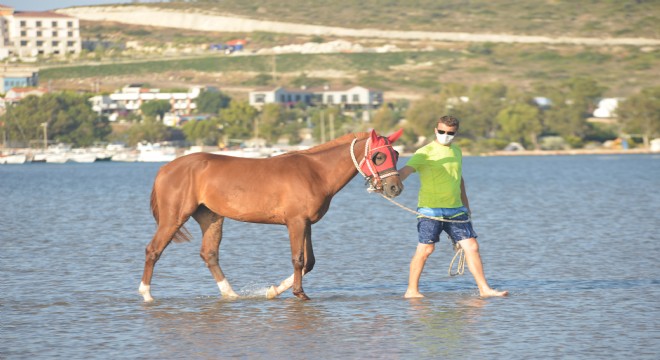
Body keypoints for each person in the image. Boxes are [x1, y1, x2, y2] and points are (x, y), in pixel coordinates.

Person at [398, 115, 508, 298]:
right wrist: (389, 182)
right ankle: (411, 291)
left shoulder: (457, 151)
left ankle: (484, 289)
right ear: (435, 130)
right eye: (441, 131)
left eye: (450, 133)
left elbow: (458, 178)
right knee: (426, 249)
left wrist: (466, 204)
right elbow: (406, 171)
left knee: (471, 246)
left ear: (455, 133)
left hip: (456, 209)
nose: (445, 135)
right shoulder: (424, 152)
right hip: (430, 209)